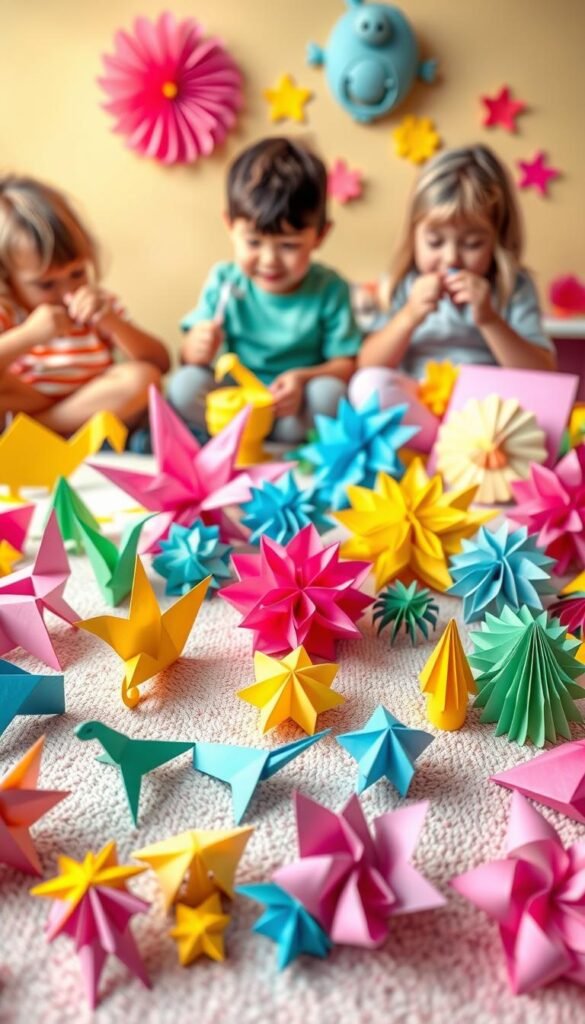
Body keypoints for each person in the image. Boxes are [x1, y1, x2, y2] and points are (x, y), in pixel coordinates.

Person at [349, 144, 556, 451]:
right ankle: (446, 452)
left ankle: (461, 451)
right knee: (366, 385)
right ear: (413, 235)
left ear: (498, 239)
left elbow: (543, 375)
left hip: (488, 416)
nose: (450, 258)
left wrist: (490, 319)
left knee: (541, 412)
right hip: (421, 407)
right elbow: (368, 363)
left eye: (472, 244)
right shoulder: (402, 283)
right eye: (435, 242)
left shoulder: (512, 287)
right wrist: (409, 316)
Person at [167, 136, 361, 443]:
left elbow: (346, 364)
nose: (269, 260)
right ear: (230, 226)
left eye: (289, 245)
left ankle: (269, 441)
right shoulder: (225, 280)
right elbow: (188, 357)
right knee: (184, 385)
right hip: (239, 401)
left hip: (292, 406)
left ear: (320, 235)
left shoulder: (330, 288)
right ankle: (238, 437)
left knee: (330, 393)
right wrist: (196, 347)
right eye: (254, 242)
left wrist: (303, 378)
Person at [0, 175, 170, 435]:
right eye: (46, 285)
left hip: (90, 405)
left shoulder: (98, 305)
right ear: (7, 279)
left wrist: (112, 322)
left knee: (143, 377)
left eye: (77, 273)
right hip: (29, 404)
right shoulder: (9, 311)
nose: (67, 292)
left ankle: (41, 431)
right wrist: (29, 335)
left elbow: (160, 363)